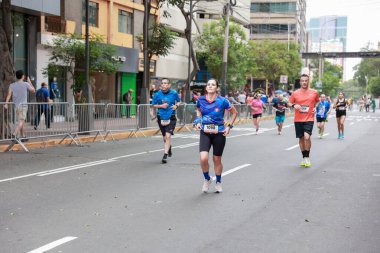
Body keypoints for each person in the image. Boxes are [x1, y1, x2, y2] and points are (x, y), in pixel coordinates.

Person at [194, 78, 238, 193]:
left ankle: (218, 182)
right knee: (203, 158)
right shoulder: (201, 99)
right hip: (205, 132)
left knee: (216, 159)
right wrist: (198, 121)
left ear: (216, 88)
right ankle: (207, 179)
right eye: (208, 84)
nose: (210, 86)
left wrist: (229, 126)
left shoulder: (223, 101)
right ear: (206, 87)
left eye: (213, 85)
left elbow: (234, 112)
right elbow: (198, 110)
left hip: (219, 133)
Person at [288, 74, 319, 167]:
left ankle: (307, 157)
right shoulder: (295, 93)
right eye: (302, 81)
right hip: (298, 119)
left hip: (309, 118)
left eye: (306, 80)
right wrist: (294, 105)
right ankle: (304, 158)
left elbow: (317, 101)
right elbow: (289, 103)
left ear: (308, 81)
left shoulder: (314, 92)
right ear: (300, 82)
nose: (304, 82)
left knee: (307, 137)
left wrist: (315, 108)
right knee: (301, 138)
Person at [152, 78, 181, 164]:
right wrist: (161, 106)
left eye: (165, 83)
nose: (164, 85)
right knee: (165, 137)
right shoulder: (157, 94)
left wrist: (176, 106)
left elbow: (179, 102)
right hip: (161, 117)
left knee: (168, 136)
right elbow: (153, 105)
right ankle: (169, 147)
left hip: (171, 117)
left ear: (169, 85)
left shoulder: (174, 93)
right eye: (162, 83)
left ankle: (165, 155)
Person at [4, 70, 35, 141]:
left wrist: (6, 103)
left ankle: (23, 136)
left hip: (16, 106)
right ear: (23, 76)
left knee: (21, 121)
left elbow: (9, 95)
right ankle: (14, 134)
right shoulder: (26, 84)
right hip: (23, 106)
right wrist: (29, 81)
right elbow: (33, 90)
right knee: (21, 120)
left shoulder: (12, 85)